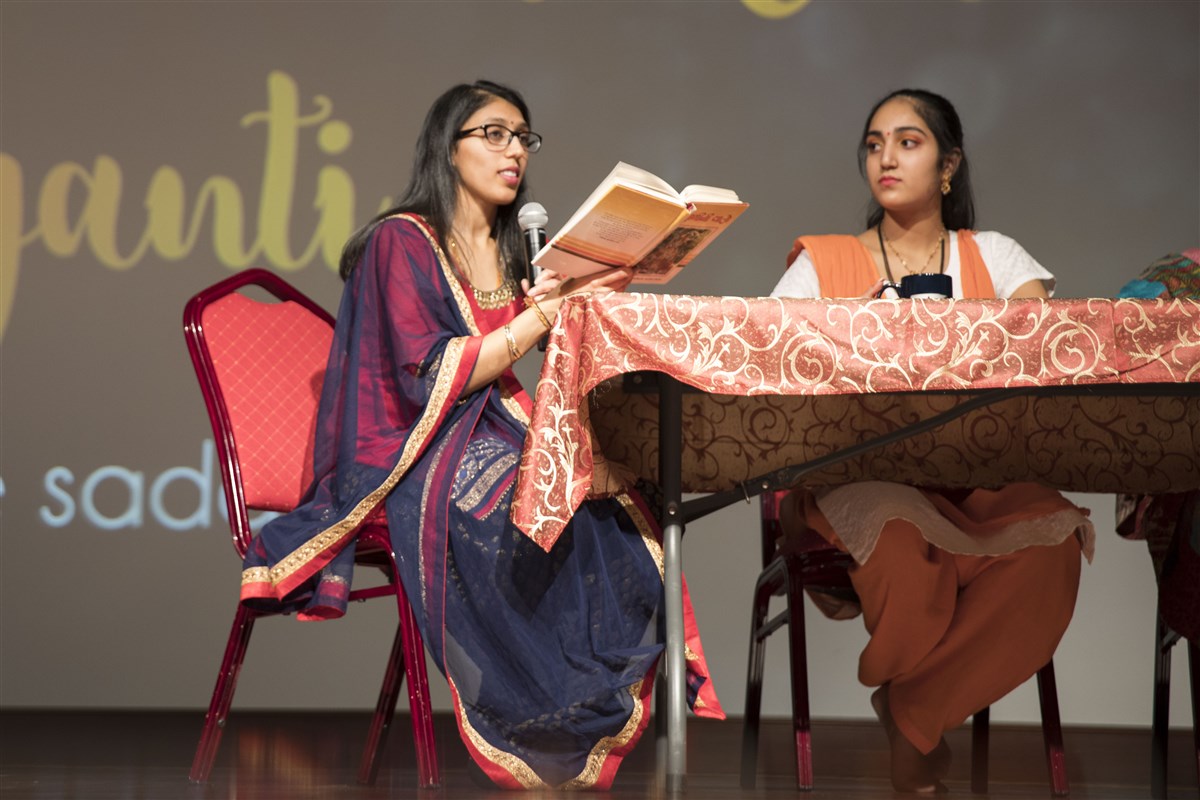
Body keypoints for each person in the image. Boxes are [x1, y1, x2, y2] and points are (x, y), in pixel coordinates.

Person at [238, 79, 722, 790]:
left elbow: (537, 363)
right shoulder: (401, 241)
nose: (514, 151)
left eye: (523, 137)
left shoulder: (516, 247)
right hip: (412, 447)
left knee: (611, 493)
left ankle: (573, 703)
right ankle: (538, 712)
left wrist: (582, 301)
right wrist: (538, 319)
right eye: (493, 134)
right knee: (522, 497)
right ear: (448, 146)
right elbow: (428, 374)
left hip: (493, 426)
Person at [771, 88, 1094, 794]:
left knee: (1054, 545)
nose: (885, 157)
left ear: (948, 166)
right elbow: (764, 358)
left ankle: (913, 711)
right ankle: (917, 721)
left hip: (977, 476)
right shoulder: (824, 263)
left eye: (907, 142)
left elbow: (1043, 347)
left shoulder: (996, 255)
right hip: (856, 475)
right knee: (898, 541)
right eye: (874, 144)